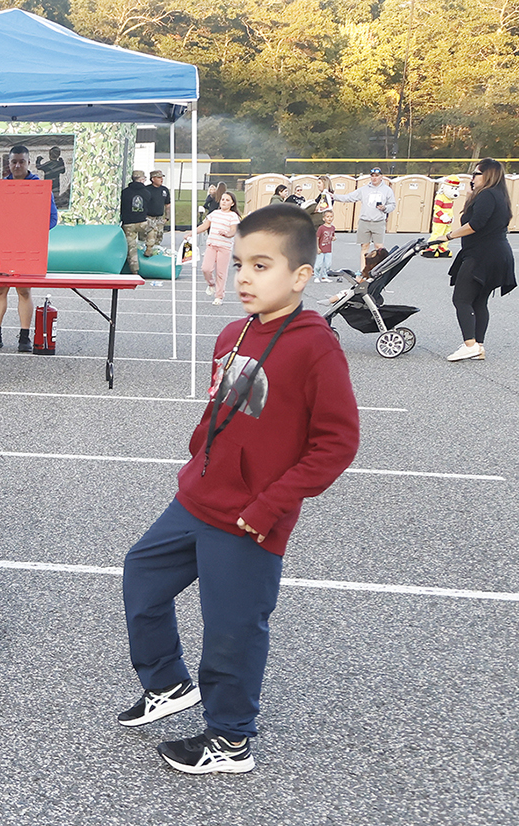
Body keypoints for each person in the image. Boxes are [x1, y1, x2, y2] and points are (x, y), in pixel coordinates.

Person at [115, 203, 359, 774]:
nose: (245, 277)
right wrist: (201, 452)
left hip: (252, 517)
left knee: (231, 630)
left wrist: (271, 503)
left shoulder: (314, 345)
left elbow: (337, 442)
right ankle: (170, 685)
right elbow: (224, 407)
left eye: (262, 265)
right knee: (142, 580)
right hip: (197, 498)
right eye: (241, 263)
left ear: (300, 275)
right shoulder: (235, 329)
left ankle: (230, 739)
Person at [0, 144, 58, 351]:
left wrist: (30, 232)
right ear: (9, 163)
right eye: (14, 162)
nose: (17, 165)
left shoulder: (39, 188)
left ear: (28, 163)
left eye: (21, 162)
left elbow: (52, 219)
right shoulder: (0, 187)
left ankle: (24, 337)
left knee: (24, 290)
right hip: (1, 245)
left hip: (26, 246)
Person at [438, 158, 513, 361]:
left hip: (482, 255)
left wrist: (448, 236)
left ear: (488, 175)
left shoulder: (488, 195)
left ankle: (469, 344)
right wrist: (471, 197)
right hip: (497, 254)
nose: (472, 178)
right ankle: (478, 346)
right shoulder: (498, 195)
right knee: (479, 301)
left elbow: (475, 224)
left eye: (476, 174)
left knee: (461, 299)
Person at [336, 168, 395, 260]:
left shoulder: (387, 190)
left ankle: (378, 271)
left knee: (379, 247)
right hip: (364, 221)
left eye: (377, 176)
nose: (374, 178)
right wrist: (334, 196)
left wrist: (385, 208)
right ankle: (363, 270)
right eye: (372, 176)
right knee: (364, 246)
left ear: (381, 177)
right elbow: (349, 197)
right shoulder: (364, 190)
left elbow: (392, 205)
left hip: (378, 221)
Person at [198, 189, 240, 303]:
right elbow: (205, 226)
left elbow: (233, 230)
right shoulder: (214, 213)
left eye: (227, 200)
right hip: (212, 245)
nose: (224, 202)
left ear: (232, 204)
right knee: (206, 268)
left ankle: (219, 296)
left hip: (224, 247)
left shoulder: (233, 216)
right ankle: (211, 284)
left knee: (221, 272)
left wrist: (227, 234)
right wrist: (192, 233)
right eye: (222, 200)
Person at [121, 169, 152, 274]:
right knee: (153, 228)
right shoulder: (146, 193)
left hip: (128, 224)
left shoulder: (125, 192)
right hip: (142, 222)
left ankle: (135, 270)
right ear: (142, 180)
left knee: (131, 248)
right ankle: (149, 247)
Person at [142, 171, 173, 260]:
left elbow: (167, 204)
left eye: (161, 178)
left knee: (159, 236)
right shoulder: (147, 190)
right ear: (153, 179)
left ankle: (155, 254)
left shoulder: (164, 190)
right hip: (149, 217)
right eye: (159, 178)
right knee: (149, 236)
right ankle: (147, 253)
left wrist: (167, 217)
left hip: (159, 218)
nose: (161, 180)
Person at [314, 210, 335, 280]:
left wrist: (333, 238)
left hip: (328, 249)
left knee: (328, 264)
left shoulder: (332, 228)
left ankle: (324, 276)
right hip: (321, 249)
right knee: (318, 264)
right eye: (327, 217)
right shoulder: (321, 228)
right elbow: (317, 237)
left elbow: (332, 235)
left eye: (331, 217)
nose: (329, 218)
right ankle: (316, 276)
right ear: (324, 218)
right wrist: (317, 247)